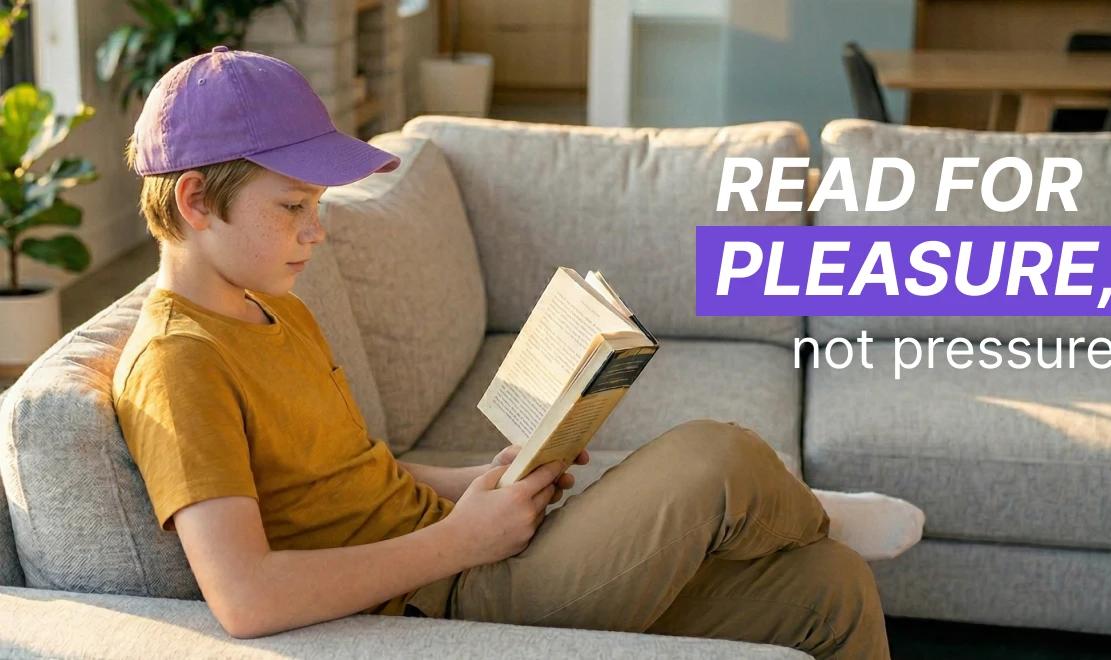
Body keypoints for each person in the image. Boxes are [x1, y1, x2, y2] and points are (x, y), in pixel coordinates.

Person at [112, 47, 890, 659]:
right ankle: (813, 513)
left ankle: (812, 533)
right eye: (293, 207)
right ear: (194, 201)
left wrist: (485, 482)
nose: (318, 230)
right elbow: (244, 596)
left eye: (317, 205)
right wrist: (463, 539)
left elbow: (351, 477)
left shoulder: (273, 308)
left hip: (469, 550)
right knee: (716, 457)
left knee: (833, 587)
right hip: (442, 600)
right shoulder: (178, 364)